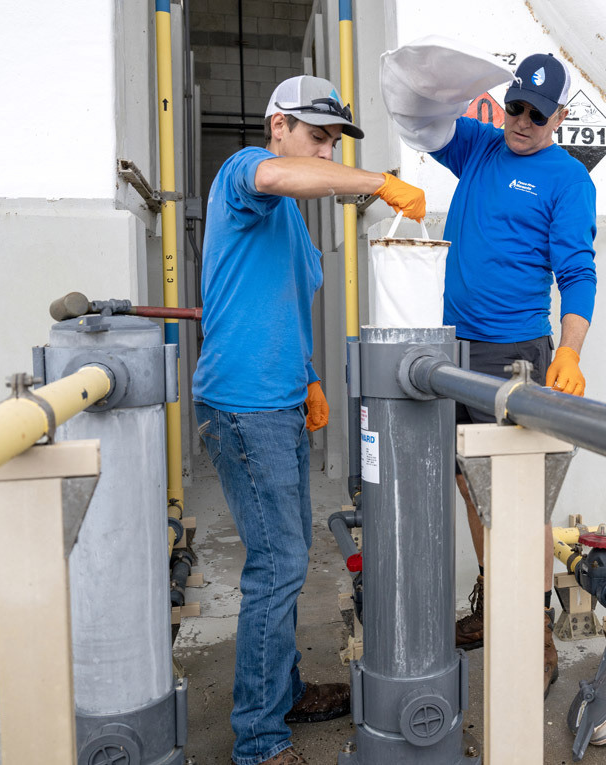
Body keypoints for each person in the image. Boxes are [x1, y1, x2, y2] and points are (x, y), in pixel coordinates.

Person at [192, 75, 426, 765]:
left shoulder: (292, 222)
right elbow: (278, 175)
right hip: (245, 405)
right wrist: (378, 182)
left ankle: (283, 690)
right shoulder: (246, 173)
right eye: (317, 137)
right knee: (278, 564)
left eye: (333, 141)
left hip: (281, 399)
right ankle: (259, 741)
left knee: (286, 559)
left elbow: (282, 305)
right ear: (278, 127)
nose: (326, 151)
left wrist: (311, 379)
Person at [386, 50, 597, 698]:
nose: (523, 121)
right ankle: (495, 594)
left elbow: (577, 273)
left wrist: (570, 352)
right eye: (515, 106)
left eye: (537, 113)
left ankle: (535, 631)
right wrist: (445, 78)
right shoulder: (480, 146)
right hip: (450, 347)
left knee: (518, 496)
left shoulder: (568, 180)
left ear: (560, 118)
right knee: (467, 481)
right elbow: (419, 120)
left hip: (514, 354)